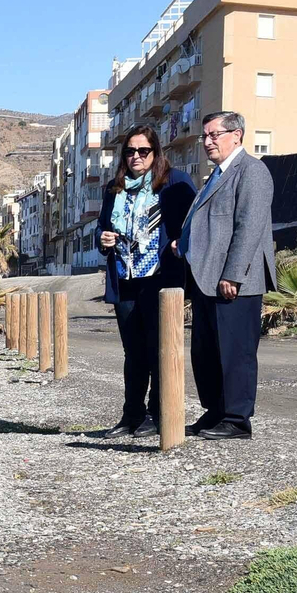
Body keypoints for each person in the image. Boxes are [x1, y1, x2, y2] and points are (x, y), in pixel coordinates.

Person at [173, 110, 276, 440]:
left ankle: (237, 419)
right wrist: (183, 243)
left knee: (236, 351)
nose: (207, 141)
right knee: (207, 352)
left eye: (214, 135)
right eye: (205, 136)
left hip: (234, 282)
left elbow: (248, 228)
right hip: (206, 279)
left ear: (237, 135)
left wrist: (234, 275)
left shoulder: (252, 172)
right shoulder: (216, 176)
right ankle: (216, 410)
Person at [96, 125, 196, 437]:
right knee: (134, 352)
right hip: (125, 278)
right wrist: (103, 238)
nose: (136, 156)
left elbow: (194, 219)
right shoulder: (115, 187)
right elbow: (101, 226)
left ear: (155, 153)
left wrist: (181, 242)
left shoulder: (174, 182)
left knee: (159, 349)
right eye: (130, 151)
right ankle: (132, 415)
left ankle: (158, 414)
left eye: (143, 151)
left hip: (159, 279)